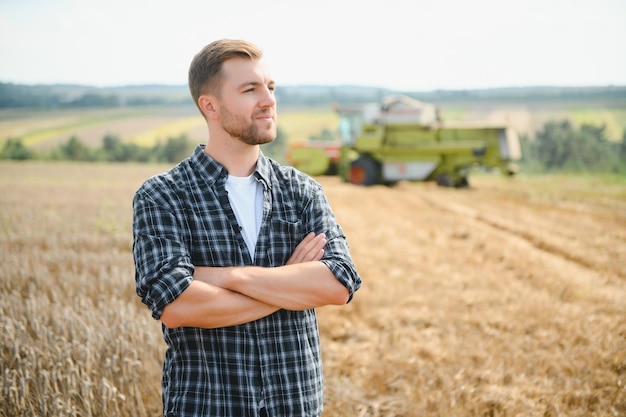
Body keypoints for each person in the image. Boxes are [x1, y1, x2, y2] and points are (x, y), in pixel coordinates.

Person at [132, 39, 362, 417]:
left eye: (270, 87)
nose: (268, 100)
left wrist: (228, 277)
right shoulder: (163, 196)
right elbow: (176, 305)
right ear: (210, 106)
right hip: (206, 407)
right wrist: (288, 282)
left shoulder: (302, 191)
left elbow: (337, 284)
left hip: (294, 406)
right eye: (250, 89)